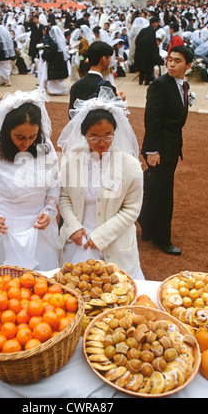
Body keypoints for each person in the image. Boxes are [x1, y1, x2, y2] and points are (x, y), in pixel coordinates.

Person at [0, 89, 61, 270]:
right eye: (20, 137)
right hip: (5, 232)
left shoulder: (45, 148)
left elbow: (54, 184)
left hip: (40, 233)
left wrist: (49, 209)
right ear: (7, 131)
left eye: (32, 136)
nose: (26, 143)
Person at [57, 87, 144, 280]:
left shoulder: (129, 165)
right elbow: (64, 196)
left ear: (115, 132)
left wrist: (101, 236)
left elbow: (131, 208)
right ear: (84, 134)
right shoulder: (72, 159)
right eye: (94, 136)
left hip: (115, 243)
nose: (102, 142)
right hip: (77, 240)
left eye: (108, 135)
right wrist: (73, 226)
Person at [138, 45, 194, 256]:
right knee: (163, 194)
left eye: (177, 61)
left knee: (157, 189)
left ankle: (148, 225)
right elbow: (151, 120)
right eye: (170, 59)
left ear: (188, 65)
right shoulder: (159, 86)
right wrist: (152, 150)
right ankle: (163, 238)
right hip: (159, 149)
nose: (171, 63)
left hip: (171, 147)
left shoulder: (182, 85)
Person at [69, 41, 125, 114]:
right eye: (109, 58)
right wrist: (120, 100)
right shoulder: (107, 87)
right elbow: (113, 116)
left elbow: (71, 114)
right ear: (104, 59)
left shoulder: (75, 86)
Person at [134, 16, 163, 85]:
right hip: (149, 53)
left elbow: (137, 40)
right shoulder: (152, 31)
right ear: (153, 23)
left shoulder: (143, 30)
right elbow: (153, 43)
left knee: (142, 67)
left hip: (141, 52)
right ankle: (147, 81)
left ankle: (140, 80)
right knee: (149, 67)